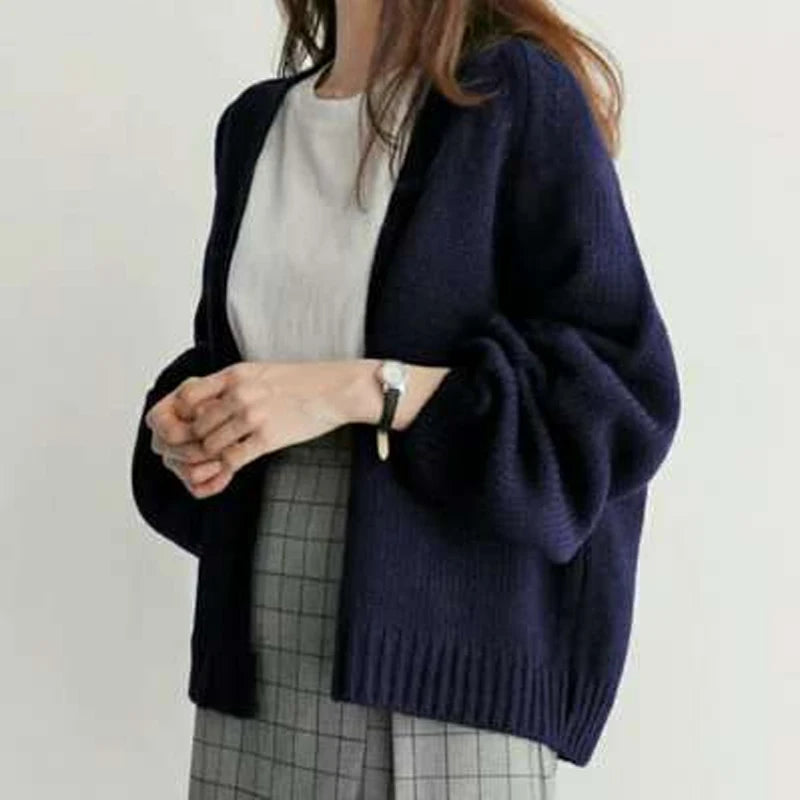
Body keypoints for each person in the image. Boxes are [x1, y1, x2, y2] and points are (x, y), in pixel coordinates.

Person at [132, 1, 682, 798]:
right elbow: (237, 358)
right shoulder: (254, 126)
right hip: (256, 653)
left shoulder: (512, 93)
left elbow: (617, 390)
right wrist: (190, 421)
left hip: (443, 673)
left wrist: (363, 388)